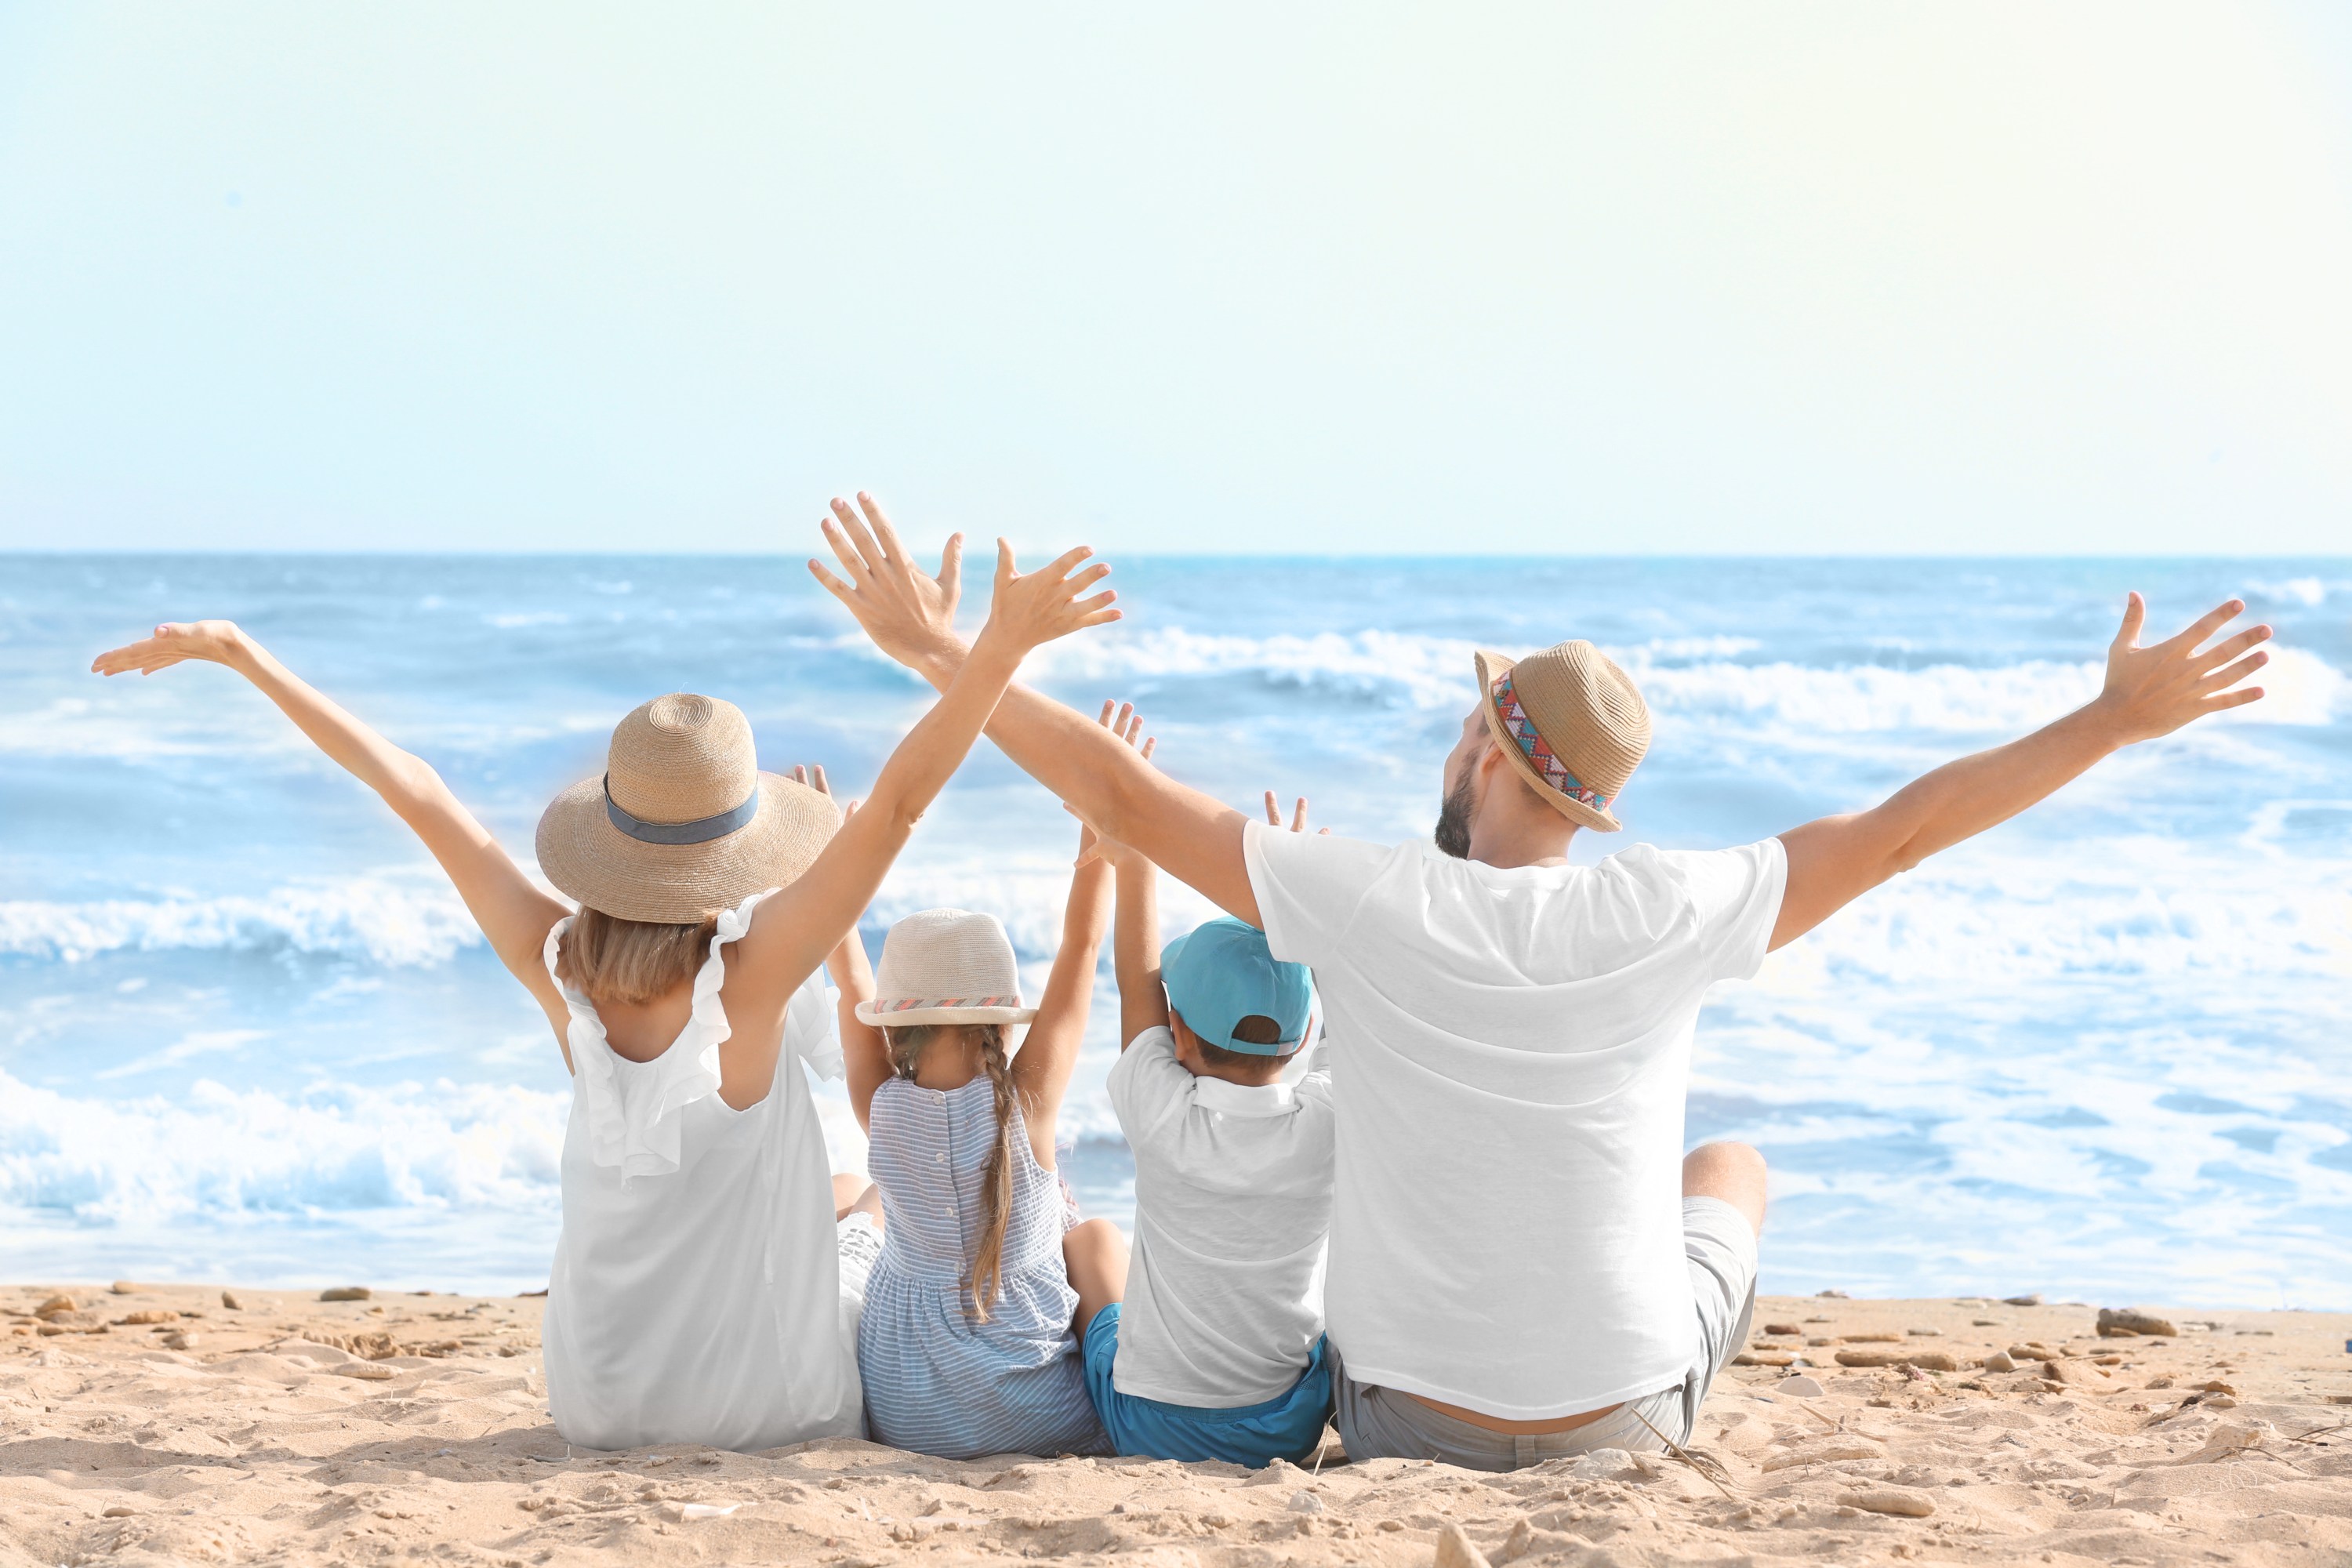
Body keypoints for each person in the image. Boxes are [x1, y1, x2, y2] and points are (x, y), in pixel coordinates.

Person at [808, 491, 2272, 1471]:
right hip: (1624, 1424)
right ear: (1587, 806)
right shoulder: (1670, 906)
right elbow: (1898, 834)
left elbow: (1124, 798)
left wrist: (952, 653)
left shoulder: (1366, 899)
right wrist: (2106, 722)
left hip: (1397, 1428)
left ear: (1490, 755)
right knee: (1734, 1168)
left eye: (1467, 729)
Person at [93, 537, 1119, 1453]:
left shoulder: (559, 973)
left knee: (857, 1204)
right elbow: (895, 807)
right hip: (767, 1409)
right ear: (736, 858)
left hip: (596, 1405)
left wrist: (240, 654)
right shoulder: (748, 979)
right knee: (874, 1222)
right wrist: (996, 650)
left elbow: (413, 790)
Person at [839, 704, 1142, 1461]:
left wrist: (834, 866)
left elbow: (842, 971)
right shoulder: (1026, 1105)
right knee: (1089, 1234)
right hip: (1043, 1415)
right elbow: (1083, 947)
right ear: (1001, 1022)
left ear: (890, 1029)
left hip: (909, 1414)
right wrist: (1101, 825)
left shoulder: (879, 1103)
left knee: (861, 1209)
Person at [1082, 750, 1338, 1468]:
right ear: (1307, 1036)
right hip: (1288, 1425)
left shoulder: (1162, 1115)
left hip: (1150, 1426)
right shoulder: (1328, 1123)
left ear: (1179, 1035)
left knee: (1093, 1244)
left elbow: (1137, 990)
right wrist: (1298, 899)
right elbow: (1350, 1000)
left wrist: (1131, 864)